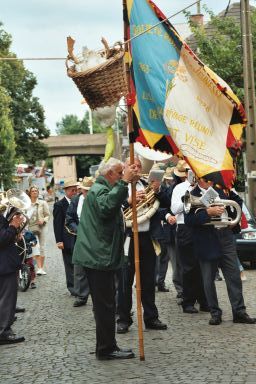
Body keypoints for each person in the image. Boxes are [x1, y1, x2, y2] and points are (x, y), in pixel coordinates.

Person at [72, 157, 136, 360]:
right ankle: (106, 348)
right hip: (98, 257)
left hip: (100, 255)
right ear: (109, 174)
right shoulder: (100, 190)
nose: (120, 176)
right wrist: (125, 182)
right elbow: (107, 207)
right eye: (119, 173)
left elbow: (109, 209)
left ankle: (107, 346)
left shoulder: (101, 189)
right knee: (105, 306)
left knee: (106, 305)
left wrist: (126, 193)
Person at [184, 177, 256, 325]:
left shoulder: (221, 189)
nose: (206, 179)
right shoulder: (191, 194)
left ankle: (239, 312)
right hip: (206, 239)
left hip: (225, 236)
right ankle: (215, 313)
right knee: (208, 280)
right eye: (202, 177)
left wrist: (232, 221)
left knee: (234, 276)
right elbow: (189, 221)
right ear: (197, 178)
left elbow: (238, 202)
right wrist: (208, 212)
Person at [117, 157, 168, 334]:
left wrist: (158, 189)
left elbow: (166, 202)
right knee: (125, 280)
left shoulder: (148, 183)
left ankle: (151, 317)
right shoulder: (119, 187)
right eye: (132, 166)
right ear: (125, 168)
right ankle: (123, 319)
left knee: (148, 279)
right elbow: (112, 210)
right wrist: (129, 201)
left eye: (138, 166)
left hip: (147, 237)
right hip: (128, 238)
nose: (136, 169)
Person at [171, 160, 208, 313]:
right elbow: (175, 209)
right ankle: (188, 301)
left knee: (202, 266)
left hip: (201, 226)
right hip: (184, 227)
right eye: (189, 170)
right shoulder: (179, 188)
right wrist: (188, 197)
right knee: (188, 267)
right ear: (186, 173)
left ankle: (205, 300)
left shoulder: (204, 187)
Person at [65, 176, 94, 307]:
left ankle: (98, 294)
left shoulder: (97, 199)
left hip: (96, 237)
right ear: (81, 190)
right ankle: (81, 296)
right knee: (79, 268)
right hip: (80, 237)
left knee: (96, 267)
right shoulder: (76, 200)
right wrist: (78, 230)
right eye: (85, 190)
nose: (87, 192)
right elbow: (69, 218)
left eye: (89, 190)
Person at [0, 207, 25, 344]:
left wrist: (14, 232)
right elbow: (1, 239)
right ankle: (4, 332)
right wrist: (13, 227)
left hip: (4, 264)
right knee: (6, 300)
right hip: (4, 265)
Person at [53, 179, 79, 296]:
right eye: (72, 190)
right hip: (67, 239)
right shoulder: (59, 205)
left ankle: (82, 287)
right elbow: (57, 224)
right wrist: (59, 241)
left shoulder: (79, 201)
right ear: (66, 191)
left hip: (79, 237)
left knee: (80, 264)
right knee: (69, 264)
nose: (74, 192)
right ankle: (72, 287)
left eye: (76, 190)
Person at [27, 185, 50, 278]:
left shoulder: (42, 203)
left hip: (42, 227)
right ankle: (38, 267)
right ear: (30, 193)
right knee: (35, 246)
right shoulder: (27, 204)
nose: (35, 192)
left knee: (42, 247)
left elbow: (47, 215)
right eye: (33, 191)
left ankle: (41, 268)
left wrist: (43, 220)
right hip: (31, 227)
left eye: (36, 190)